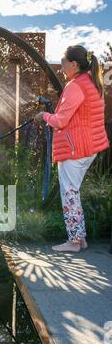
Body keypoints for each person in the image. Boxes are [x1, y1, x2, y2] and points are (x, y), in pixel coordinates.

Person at [34, 45, 110, 252]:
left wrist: (44, 117)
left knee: (69, 193)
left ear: (74, 64)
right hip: (89, 147)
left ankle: (74, 242)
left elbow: (61, 120)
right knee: (72, 191)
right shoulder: (92, 83)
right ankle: (80, 238)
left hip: (75, 148)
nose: (61, 67)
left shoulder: (75, 86)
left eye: (63, 62)